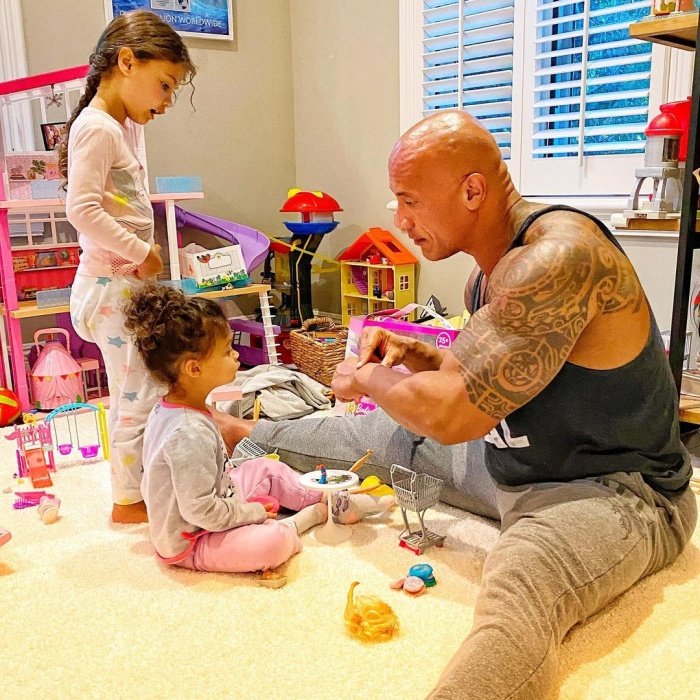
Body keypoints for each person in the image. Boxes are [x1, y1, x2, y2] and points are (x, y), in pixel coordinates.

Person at [221, 110, 697, 699]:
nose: (400, 220)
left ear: (472, 189)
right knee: (377, 440)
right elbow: (476, 380)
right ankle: (232, 431)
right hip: (512, 459)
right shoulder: (487, 273)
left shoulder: (557, 260)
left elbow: (451, 415)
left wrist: (366, 377)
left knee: (523, 581)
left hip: (614, 488)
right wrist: (413, 352)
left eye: (409, 201)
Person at [123, 284, 391, 572]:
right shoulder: (189, 432)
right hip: (192, 540)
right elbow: (199, 511)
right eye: (227, 352)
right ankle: (308, 517)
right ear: (194, 369)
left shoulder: (179, 409)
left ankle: (331, 500)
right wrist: (250, 513)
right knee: (270, 543)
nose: (236, 356)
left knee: (265, 467)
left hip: (219, 498)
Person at [60, 10, 195, 523]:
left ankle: (132, 488)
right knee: (140, 394)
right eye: (163, 85)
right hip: (110, 286)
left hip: (115, 286)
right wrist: (146, 253)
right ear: (125, 62)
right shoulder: (97, 128)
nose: (164, 101)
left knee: (129, 393)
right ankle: (128, 502)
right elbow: (82, 209)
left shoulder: (112, 128)